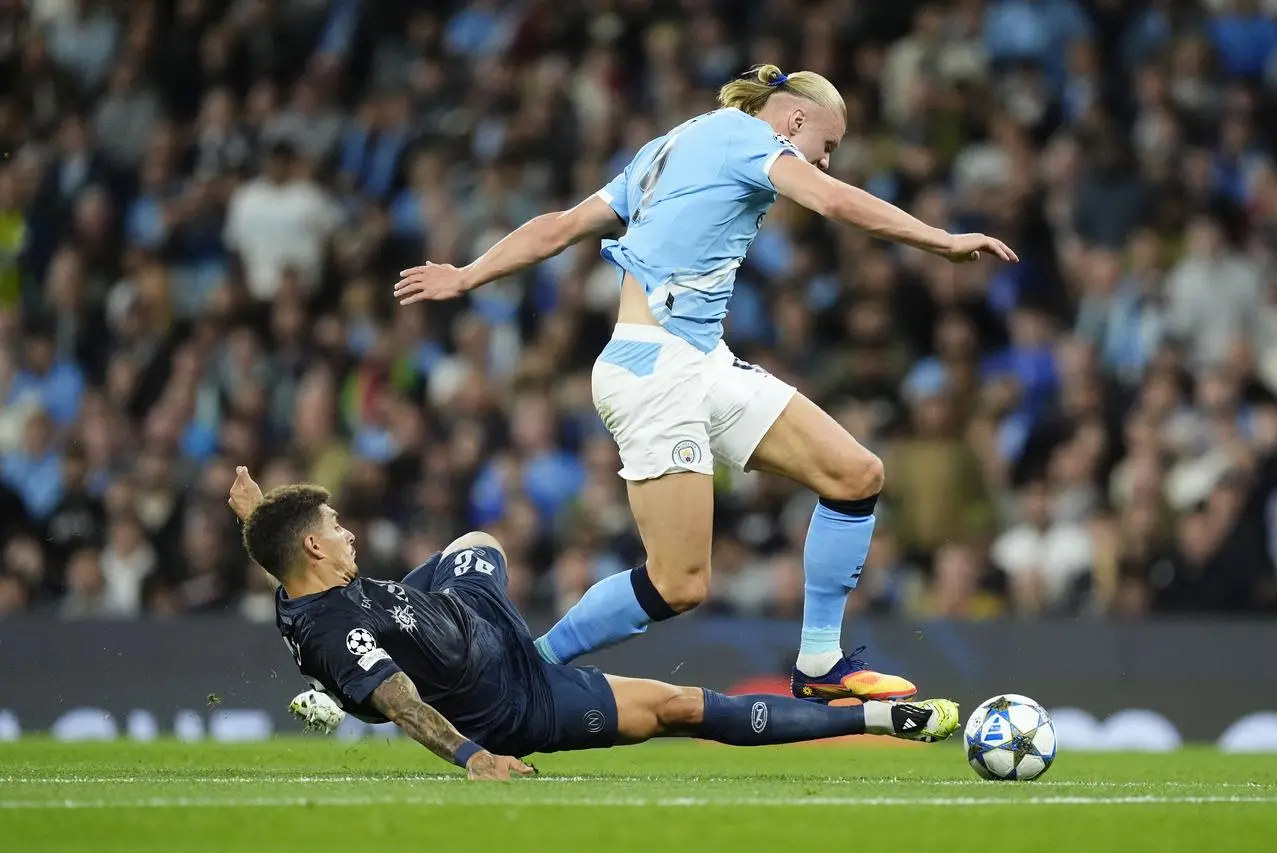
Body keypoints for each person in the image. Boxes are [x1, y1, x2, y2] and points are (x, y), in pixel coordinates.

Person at [392, 65, 1018, 703]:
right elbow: (831, 202)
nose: (825, 164)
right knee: (679, 584)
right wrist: (940, 240)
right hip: (653, 370)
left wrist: (469, 274)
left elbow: (558, 226)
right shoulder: (744, 137)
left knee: (856, 474)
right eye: (826, 147)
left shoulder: (666, 149)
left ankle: (819, 664)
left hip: (700, 360)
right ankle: (526, 666)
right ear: (795, 120)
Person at [228, 468, 959, 780]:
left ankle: (535, 648)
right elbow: (401, 703)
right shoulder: (331, 628)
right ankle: (883, 717)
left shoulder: (303, 579)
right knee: (684, 707)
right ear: (317, 548)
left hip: (471, 618)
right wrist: (476, 758)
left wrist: (256, 515)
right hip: (513, 699)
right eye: (335, 527)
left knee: (477, 543)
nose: (349, 531)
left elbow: (289, 566)